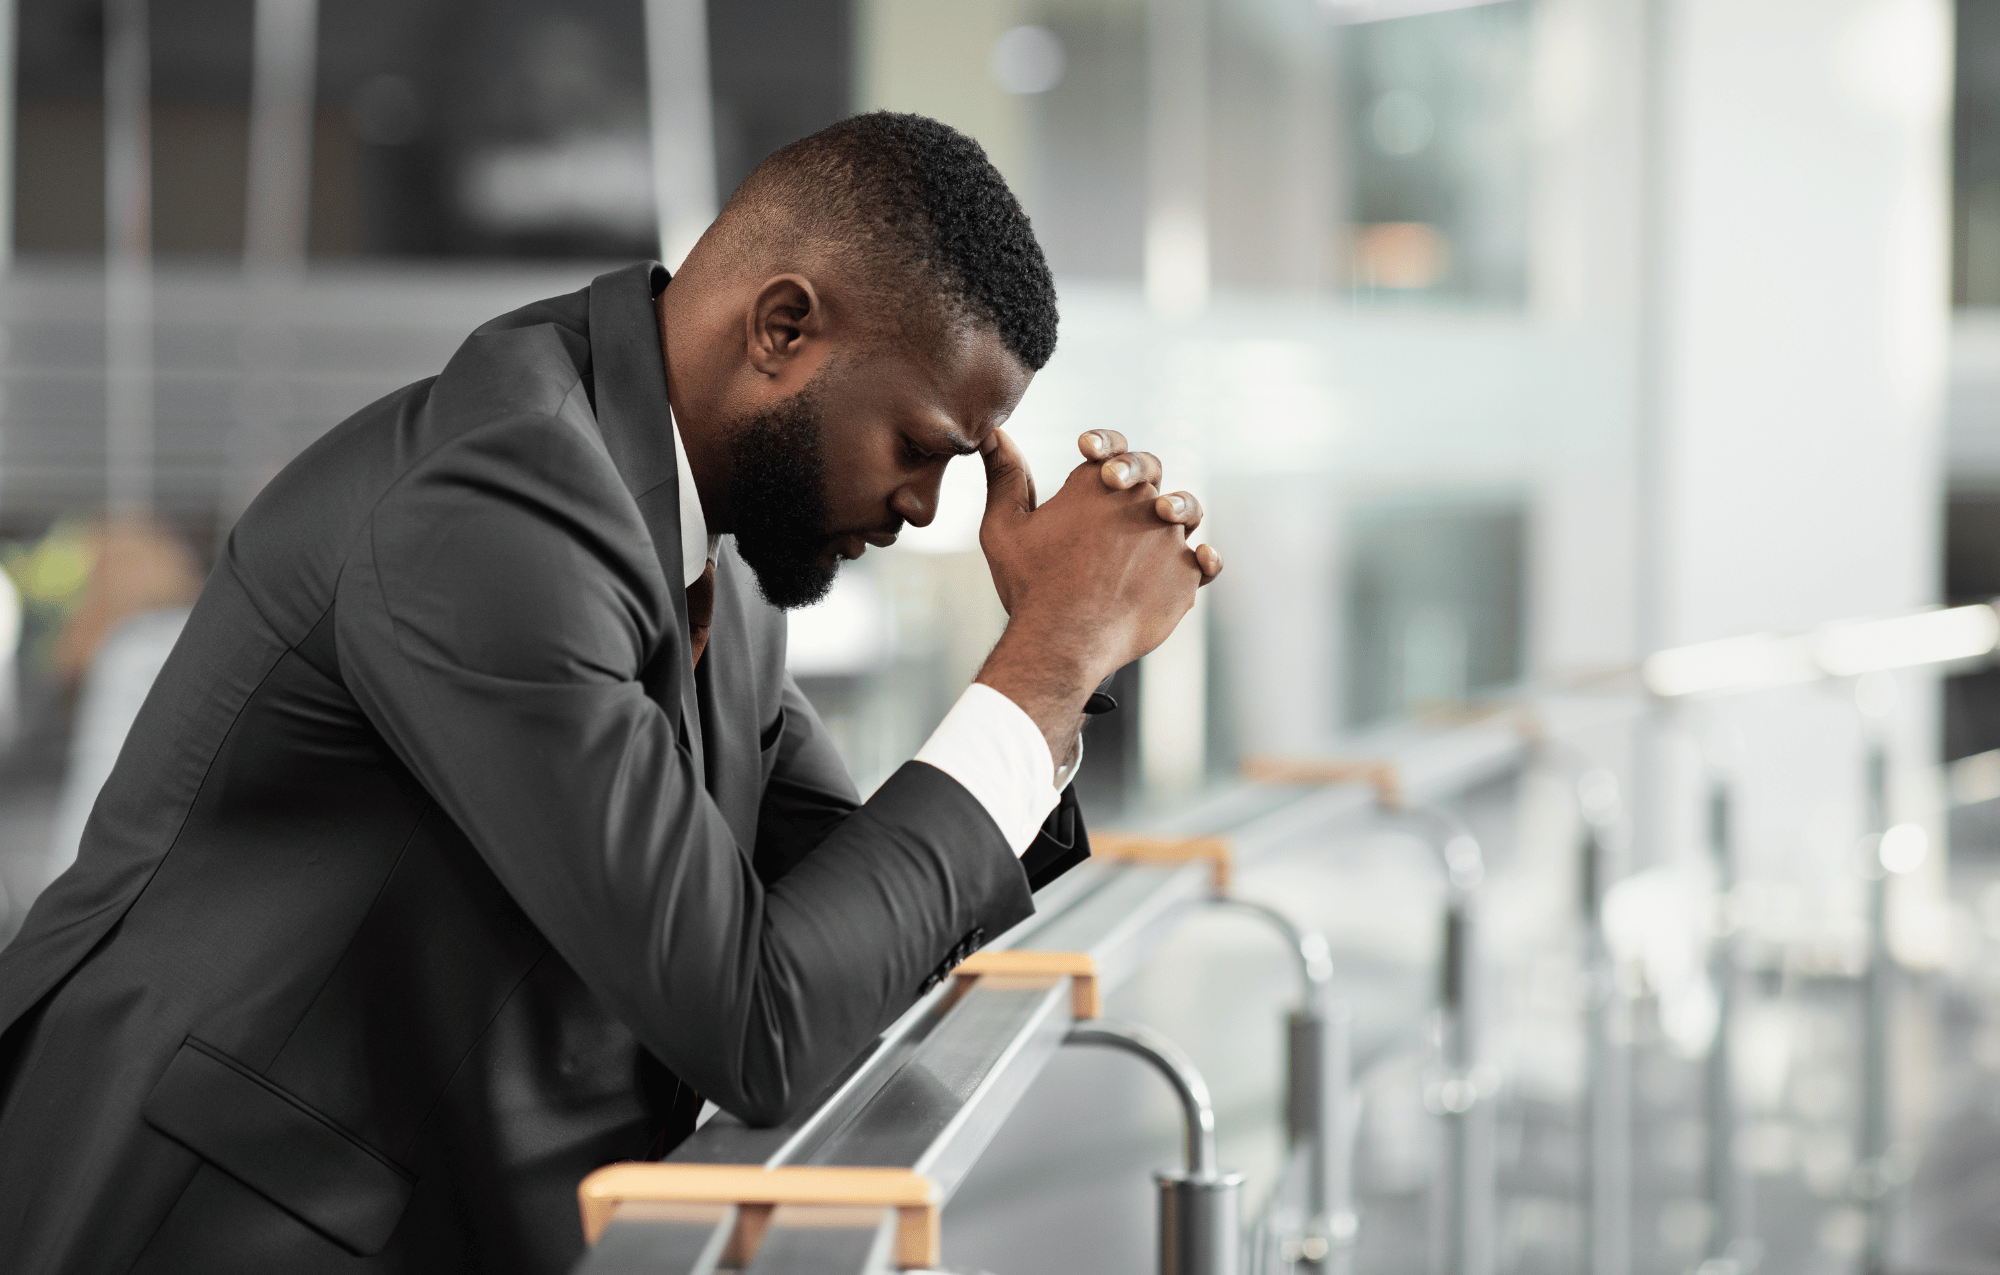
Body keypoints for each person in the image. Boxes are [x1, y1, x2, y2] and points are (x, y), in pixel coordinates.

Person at [0, 112, 1220, 1274]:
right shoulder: (495, 507)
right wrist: (1045, 659)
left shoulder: (710, 567)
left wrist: (1056, 669)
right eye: (917, 446)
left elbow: (867, 943)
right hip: (202, 1226)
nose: (921, 508)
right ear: (782, 328)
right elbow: (761, 1017)